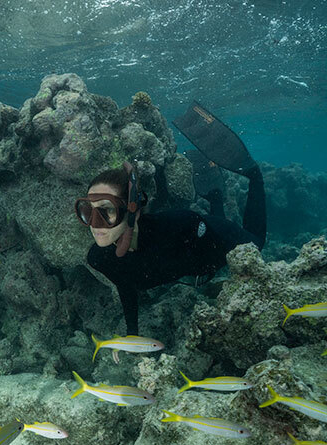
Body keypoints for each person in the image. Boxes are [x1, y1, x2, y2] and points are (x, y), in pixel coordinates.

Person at [76, 101, 267, 336]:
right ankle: (216, 197)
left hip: (215, 239)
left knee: (256, 245)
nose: (95, 223)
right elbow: (125, 286)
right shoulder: (99, 258)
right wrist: (132, 334)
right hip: (197, 246)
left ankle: (254, 176)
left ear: (132, 209)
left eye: (107, 210)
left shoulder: (175, 226)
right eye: (88, 210)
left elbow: (197, 227)